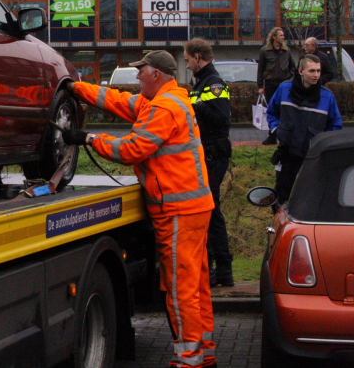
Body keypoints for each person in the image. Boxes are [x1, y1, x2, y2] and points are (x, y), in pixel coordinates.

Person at [63, 50, 216, 368]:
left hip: (177, 210)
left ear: (156, 75)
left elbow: (132, 149)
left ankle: (189, 360)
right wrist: (78, 88)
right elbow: (116, 100)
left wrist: (89, 139)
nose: (136, 76)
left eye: (141, 71)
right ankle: (203, 354)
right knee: (195, 284)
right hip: (192, 208)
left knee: (179, 288)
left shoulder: (163, 108)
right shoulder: (165, 100)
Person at [184, 39, 233, 288]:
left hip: (214, 154)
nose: (187, 64)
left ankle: (222, 269)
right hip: (208, 154)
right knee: (209, 210)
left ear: (198, 57)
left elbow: (222, 119)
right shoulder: (202, 82)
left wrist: (198, 105)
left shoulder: (213, 84)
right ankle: (216, 267)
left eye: (188, 59)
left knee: (212, 211)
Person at [267, 53, 342, 207]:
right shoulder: (284, 88)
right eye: (312, 71)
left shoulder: (327, 97)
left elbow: (335, 126)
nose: (316, 75)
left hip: (312, 155)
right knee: (281, 195)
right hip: (287, 152)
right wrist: (276, 131)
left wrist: (322, 144)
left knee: (310, 197)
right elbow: (271, 112)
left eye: (318, 71)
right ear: (300, 71)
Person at [257, 27, 295, 145]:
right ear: (274, 37)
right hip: (270, 84)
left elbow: (293, 67)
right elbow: (260, 69)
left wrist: (289, 75)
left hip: (283, 85)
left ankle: (284, 136)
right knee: (272, 110)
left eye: (283, 35)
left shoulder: (286, 51)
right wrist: (260, 86)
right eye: (281, 35)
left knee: (283, 110)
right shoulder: (265, 51)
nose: (283, 37)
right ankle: (272, 136)